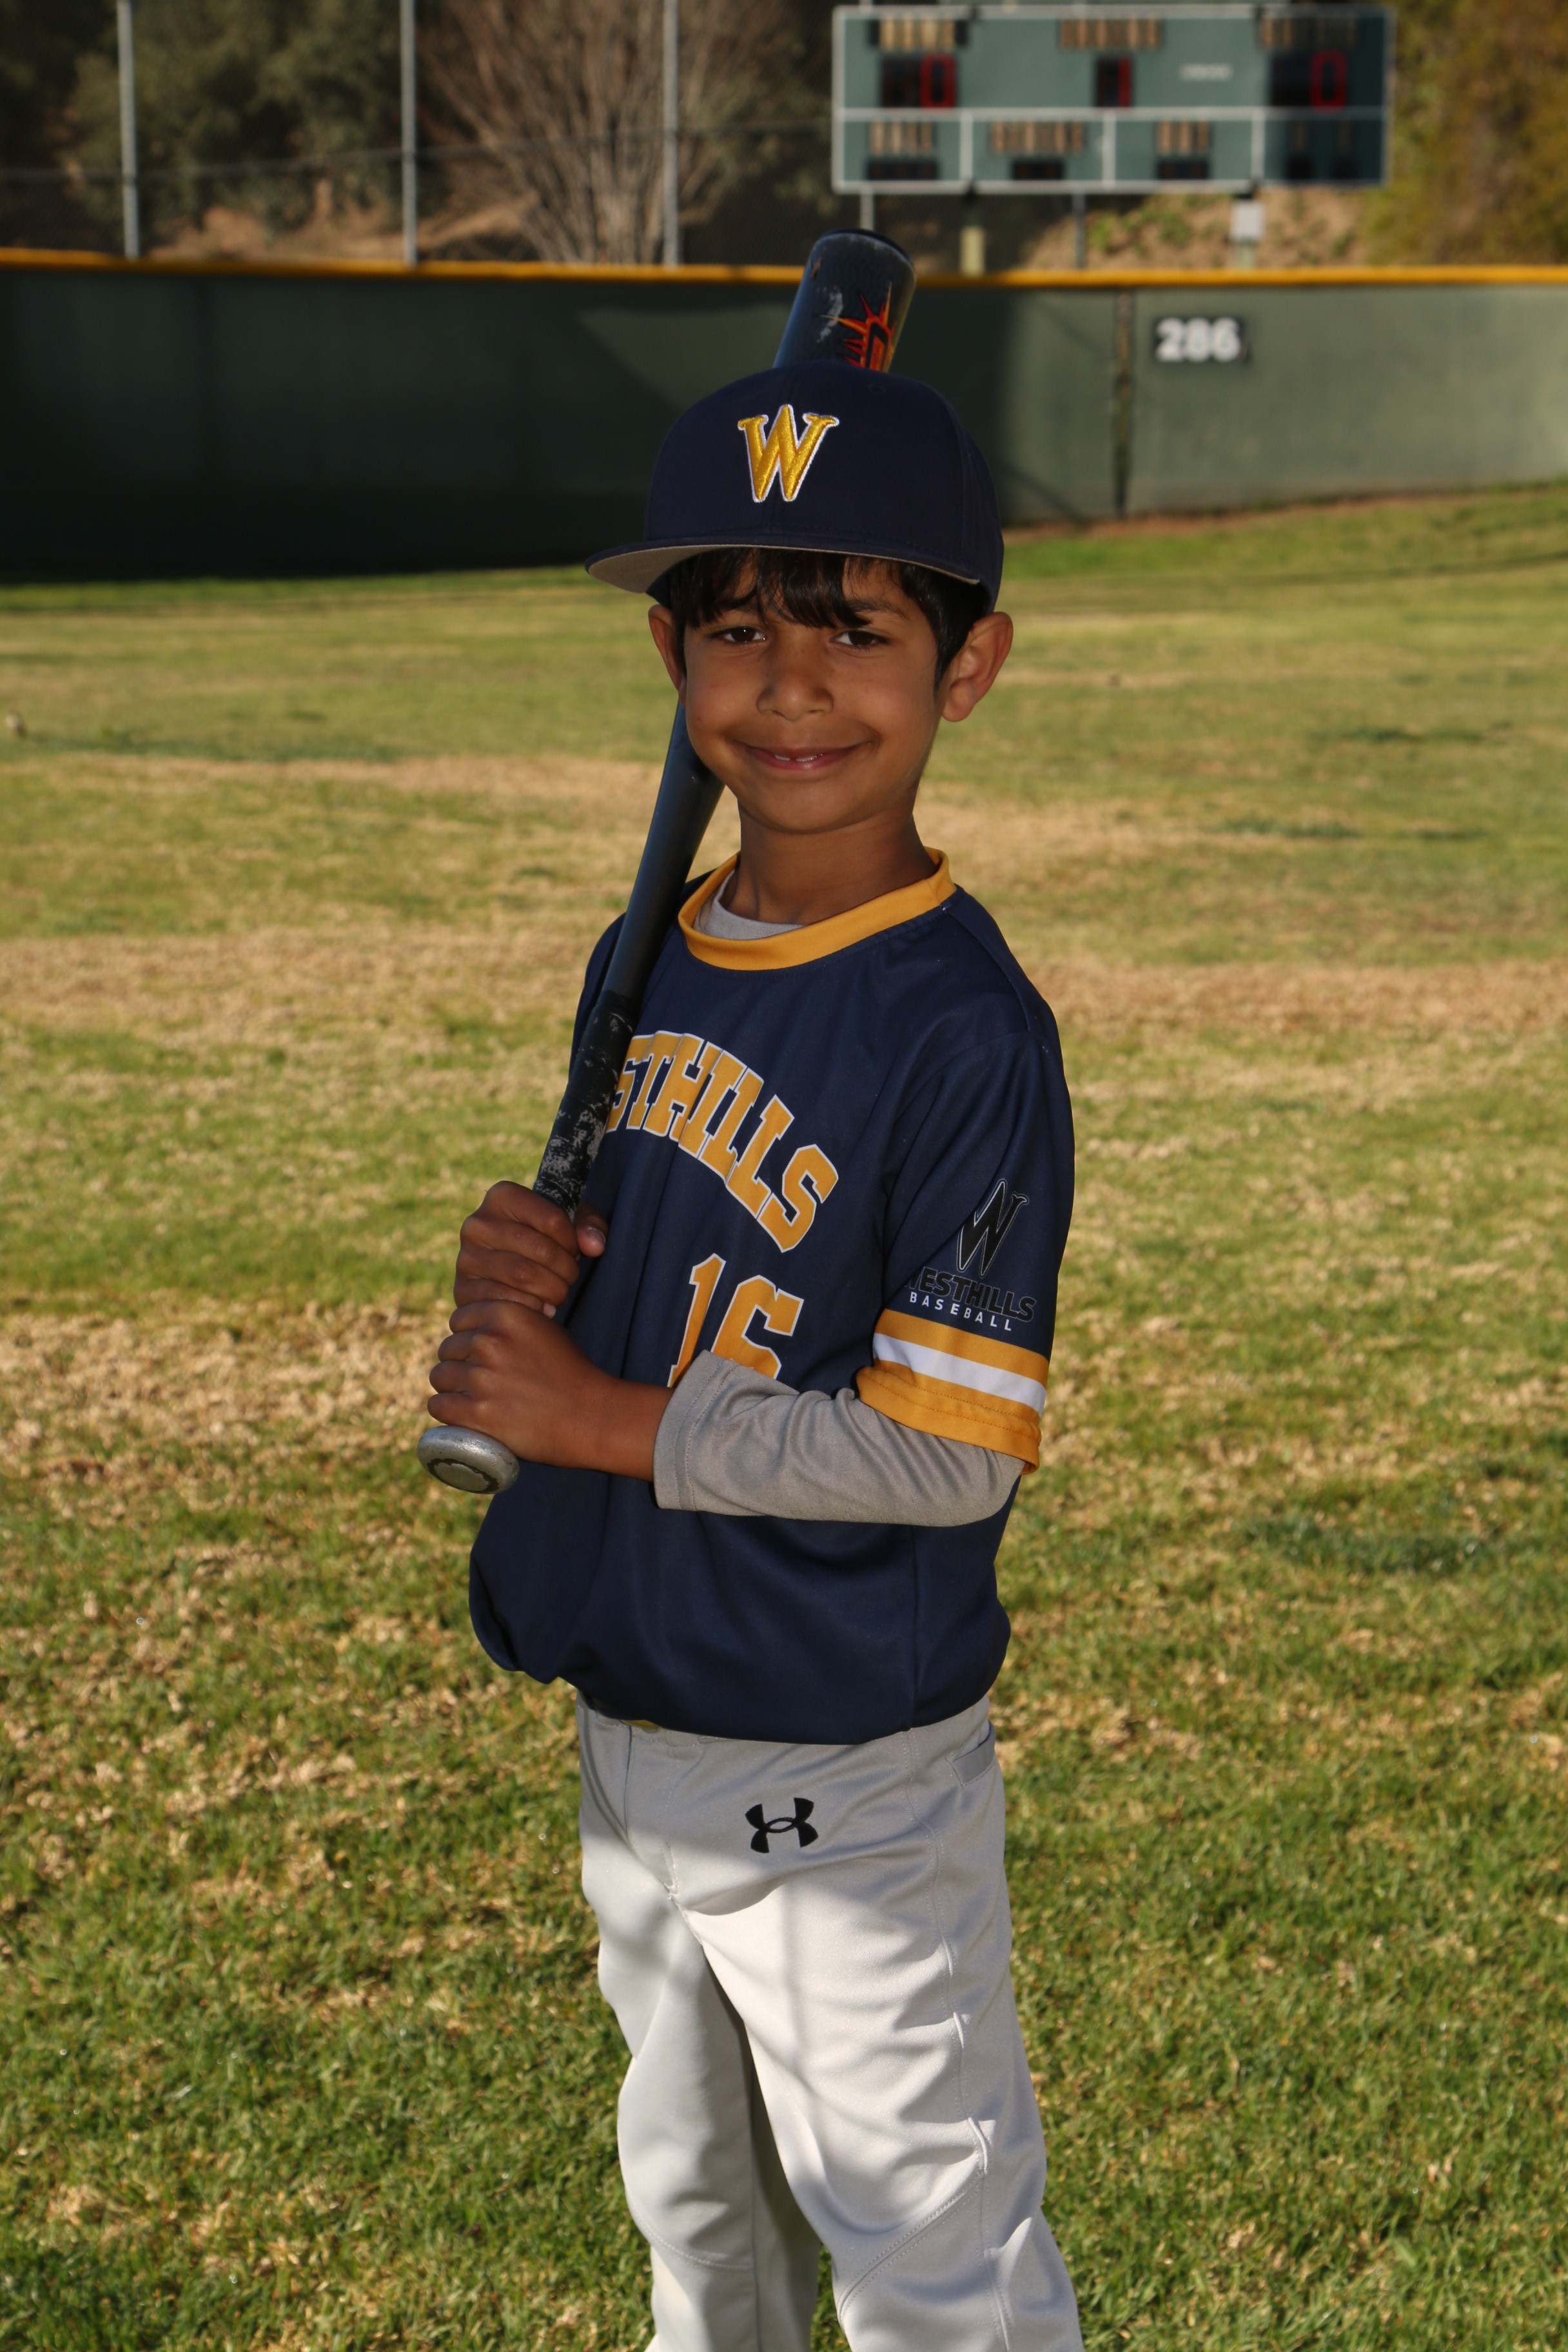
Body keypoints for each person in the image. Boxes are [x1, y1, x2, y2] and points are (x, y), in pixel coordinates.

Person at [428, 360, 1082, 2352]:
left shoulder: (965, 1032)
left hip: (837, 1765)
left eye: (857, 630)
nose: (793, 687)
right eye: (738, 630)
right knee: (704, 2222)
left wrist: (601, 1418)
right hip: (634, 1720)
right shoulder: (661, 946)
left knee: (930, 2260)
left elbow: (947, 1453)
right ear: (671, 659)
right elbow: (654, 1265)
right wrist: (529, 1277)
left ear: (967, 669)